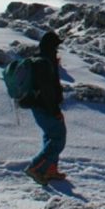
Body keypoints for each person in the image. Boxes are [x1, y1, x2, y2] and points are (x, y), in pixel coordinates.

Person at [24, 31, 67, 185]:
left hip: (39, 106)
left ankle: (50, 170)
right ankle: (36, 167)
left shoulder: (41, 59)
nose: (58, 48)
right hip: (46, 107)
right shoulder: (45, 62)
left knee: (50, 136)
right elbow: (48, 90)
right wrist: (55, 111)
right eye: (56, 45)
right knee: (58, 138)